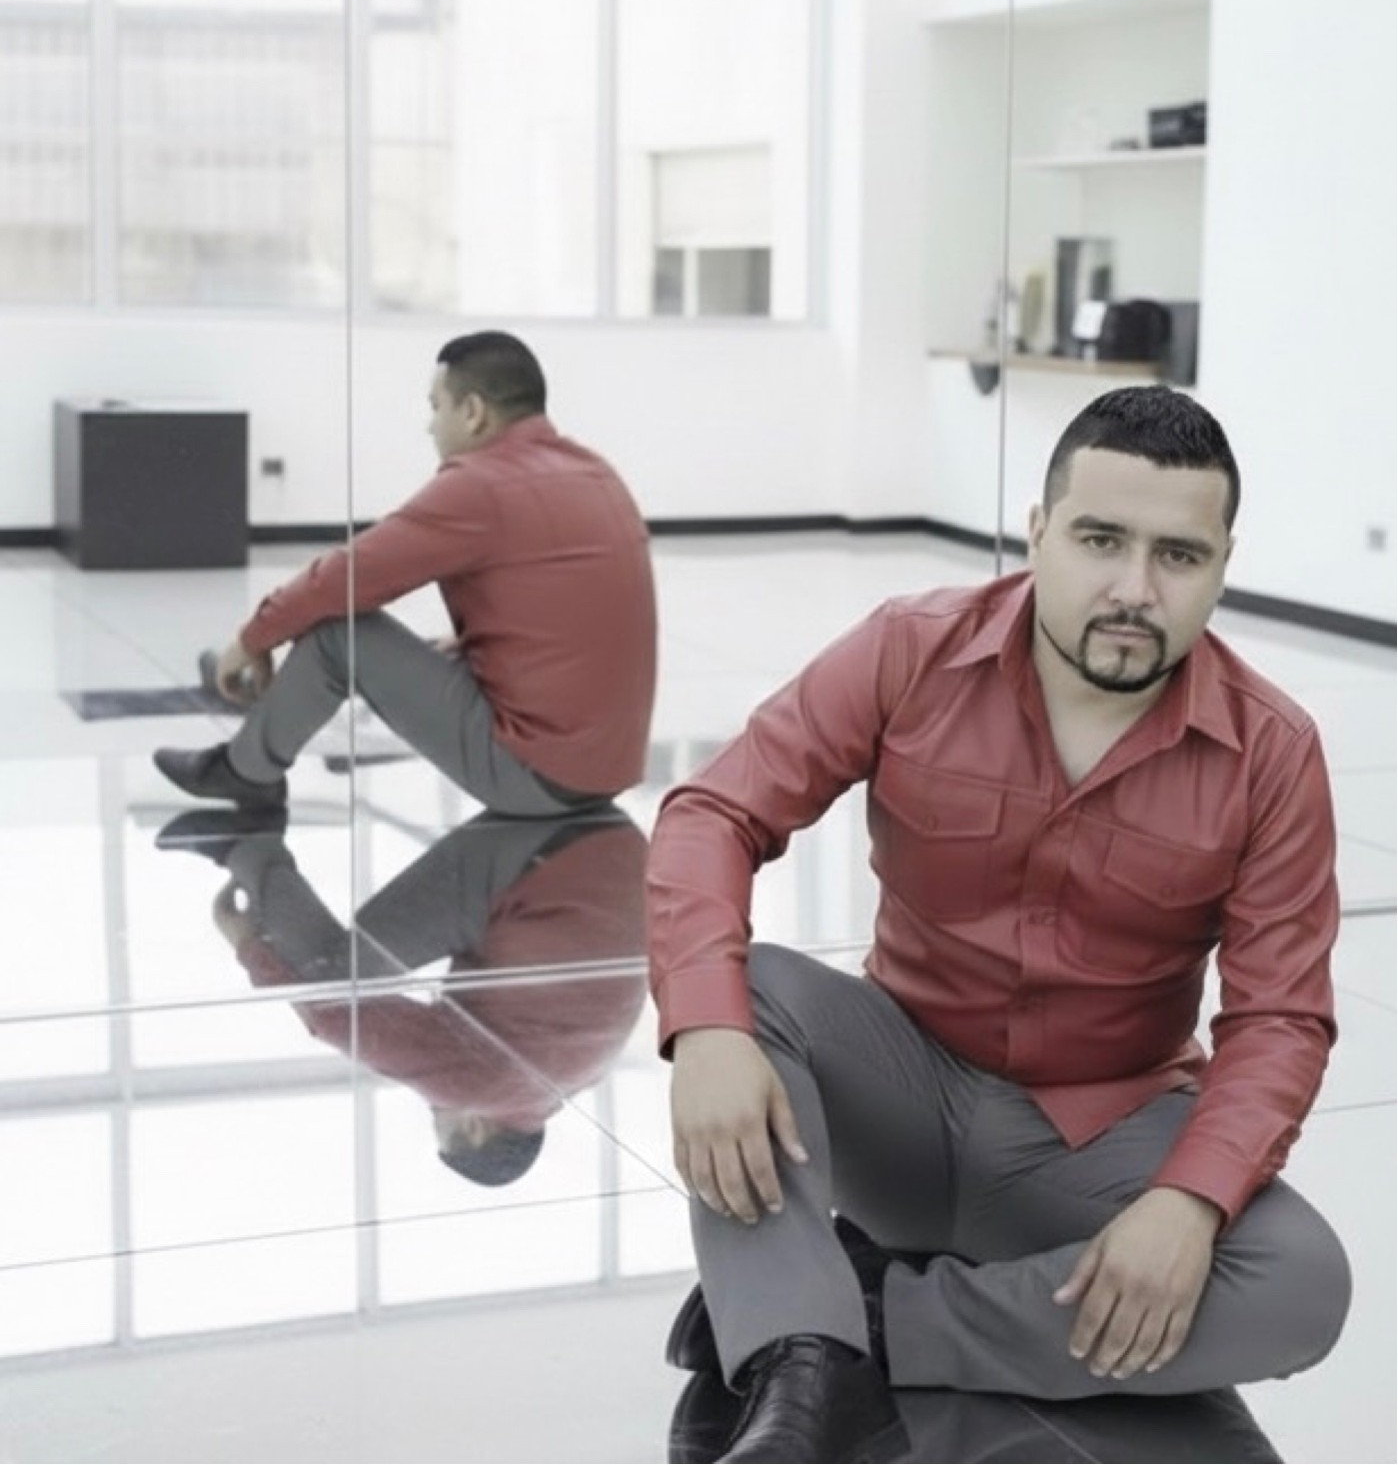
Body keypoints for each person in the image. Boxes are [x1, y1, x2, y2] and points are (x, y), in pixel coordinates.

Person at [646, 387, 1351, 1464]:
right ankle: (801, 1374)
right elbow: (714, 813)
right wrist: (705, 1029)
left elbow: (1281, 1020)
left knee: (1302, 1282)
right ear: (1037, 532)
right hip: (900, 1104)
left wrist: (1188, 1203)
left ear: (1222, 565)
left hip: (1098, 1143)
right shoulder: (910, 649)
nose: (1135, 589)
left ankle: (848, 1323)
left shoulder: (1274, 752)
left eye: (1178, 556)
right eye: (1101, 540)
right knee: (757, 993)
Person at [153, 330, 657, 829]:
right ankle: (266, 709)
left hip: (539, 777)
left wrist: (252, 637)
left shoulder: (479, 485)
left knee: (339, 634)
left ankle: (246, 771)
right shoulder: (596, 473)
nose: (430, 426)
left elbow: (343, 579)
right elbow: (571, 616)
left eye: (436, 407)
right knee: (424, 648)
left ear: (473, 412)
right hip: (608, 766)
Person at [160, 800, 648, 1183]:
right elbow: (334, 1016)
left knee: (365, 970)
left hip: (608, 838)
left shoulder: (580, 1074)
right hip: (541, 864)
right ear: (476, 1128)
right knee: (335, 981)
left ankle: (248, 839)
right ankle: (246, 843)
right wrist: (249, 946)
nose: (433, 1101)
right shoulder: (485, 1089)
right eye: (439, 1117)